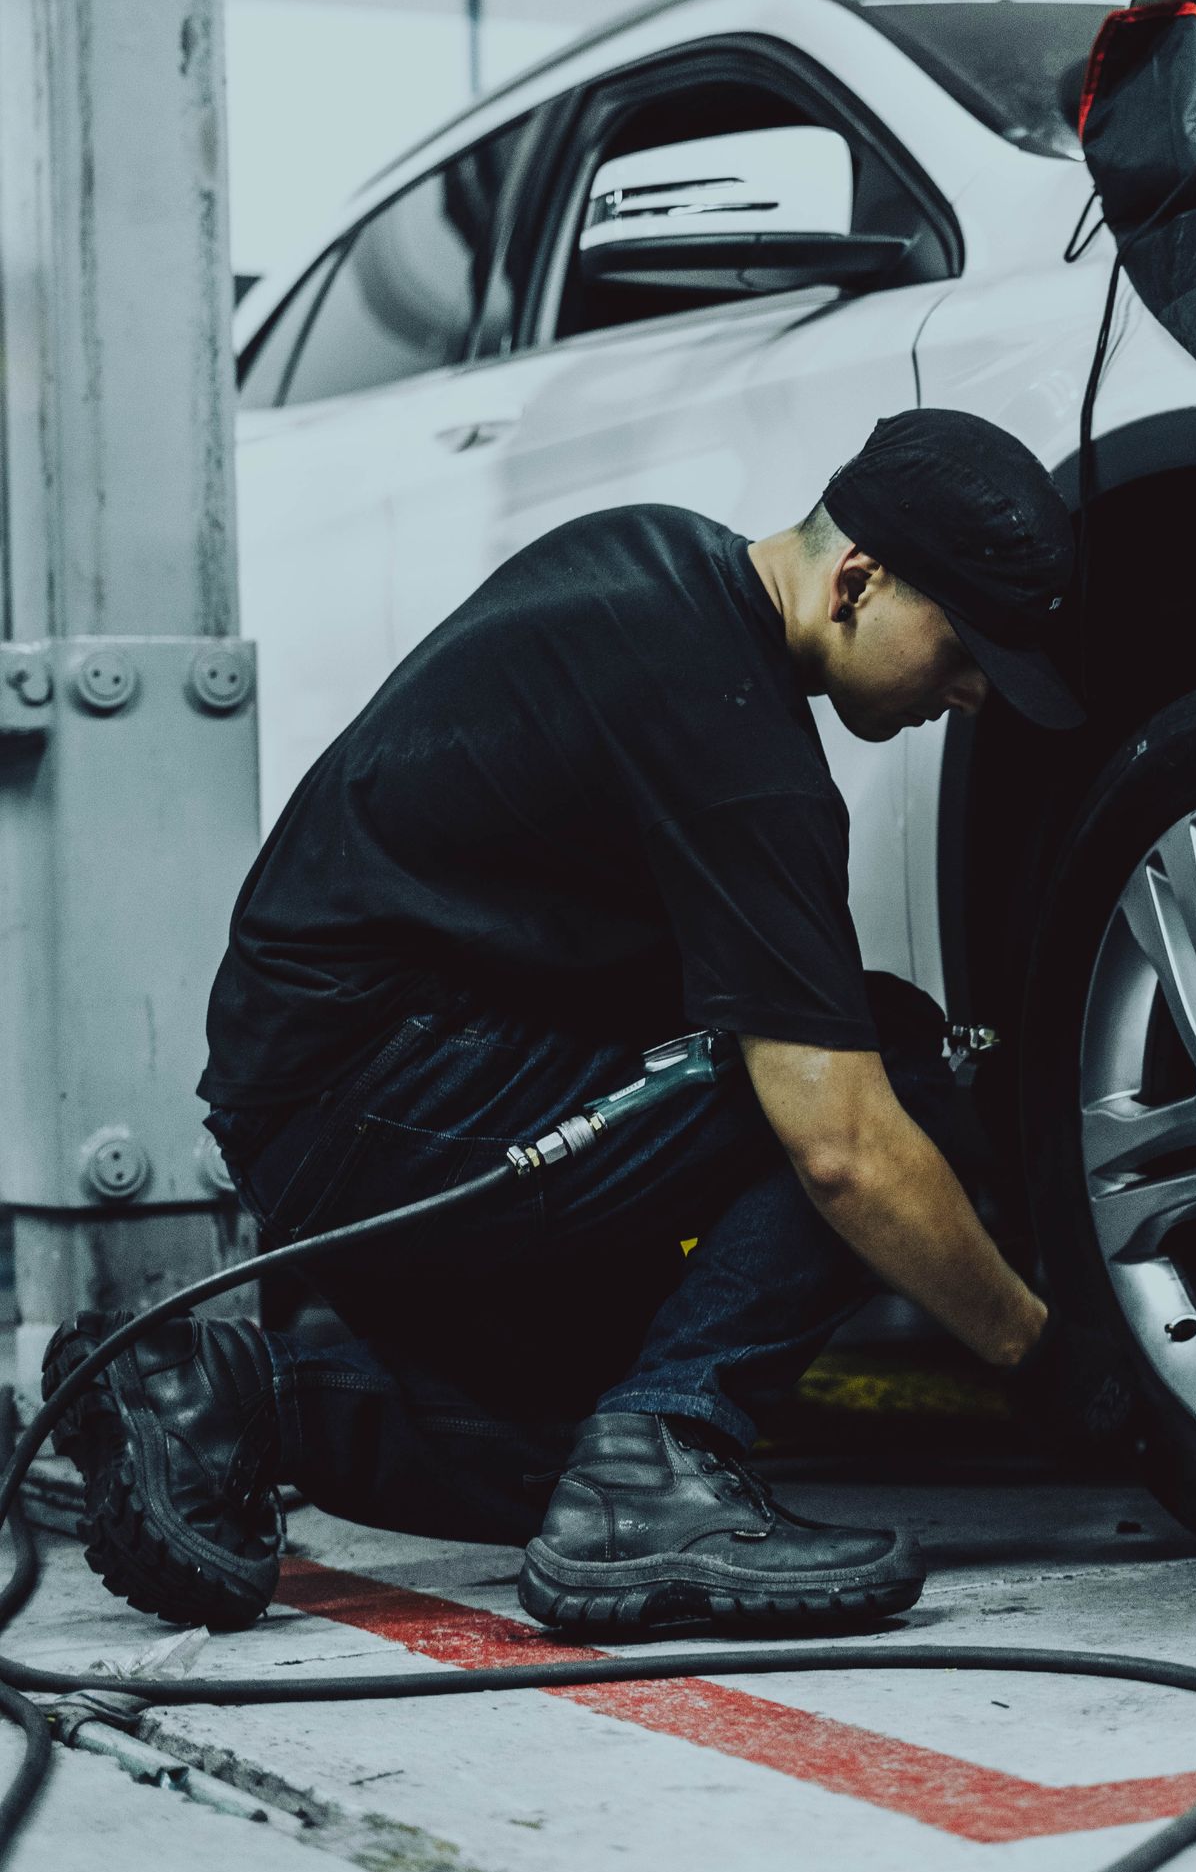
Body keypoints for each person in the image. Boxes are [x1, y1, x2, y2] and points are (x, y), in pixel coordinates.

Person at [52, 410, 1081, 1639]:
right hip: (386, 1093)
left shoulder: (656, 566)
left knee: (549, 1460)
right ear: (857, 580)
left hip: (336, 1093)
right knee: (894, 1063)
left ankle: (217, 1393)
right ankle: (660, 1469)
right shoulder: (737, 742)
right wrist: (1041, 1357)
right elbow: (846, 1150)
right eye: (963, 648)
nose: (970, 696)